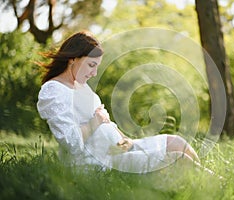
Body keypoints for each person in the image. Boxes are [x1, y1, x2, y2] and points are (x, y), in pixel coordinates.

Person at [37, 31, 200, 173]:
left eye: (97, 67)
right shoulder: (54, 89)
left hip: (119, 149)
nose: (94, 73)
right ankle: (219, 184)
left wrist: (125, 140)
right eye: (91, 65)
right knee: (178, 159)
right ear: (73, 59)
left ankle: (216, 183)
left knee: (177, 142)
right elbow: (70, 142)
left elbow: (105, 123)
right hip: (99, 163)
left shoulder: (83, 87)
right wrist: (96, 121)